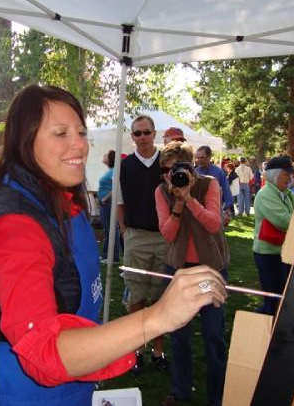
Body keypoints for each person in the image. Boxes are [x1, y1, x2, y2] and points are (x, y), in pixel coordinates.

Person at [0, 84, 227, 406]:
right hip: (13, 392)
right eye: (60, 133)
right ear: (24, 141)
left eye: (81, 132)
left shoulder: (64, 202)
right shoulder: (12, 225)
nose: (79, 145)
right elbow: (44, 350)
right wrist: (157, 318)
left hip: (72, 386)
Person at [156, 141, 229, 406]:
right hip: (179, 269)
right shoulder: (162, 192)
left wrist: (189, 198)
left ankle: (217, 396)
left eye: (175, 169)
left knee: (213, 334)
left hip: (210, 268)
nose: (170, 176)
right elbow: (167, 234)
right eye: (164, 171)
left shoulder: (209, 184)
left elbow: (213, 223)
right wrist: (177, 205)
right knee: (179, 334)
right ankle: (181, 390)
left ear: (190, 167)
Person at [117, 115, 169, 375]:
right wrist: (124, 231)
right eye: (137, 133)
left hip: (164, 237)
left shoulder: (167, 163)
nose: (142, 137)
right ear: (132, 136)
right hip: (136, 236)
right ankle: (135, 351)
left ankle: (158, 351)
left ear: (154, 133)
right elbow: (119, 201)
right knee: (135, 297)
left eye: (146, 132)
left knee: (160, 298)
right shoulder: (125, 166)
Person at [252, 156, 294, 315]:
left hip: (280, 252)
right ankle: (265, 332)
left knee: (281, 298)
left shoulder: (287, 193)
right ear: (275, 175)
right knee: (273, 300)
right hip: (268, 254)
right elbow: (285, 222)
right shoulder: (266, 195)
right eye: (286, 174)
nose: (289, 178)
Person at [194, 146, 234, 225]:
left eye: (202, 158)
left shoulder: (219, 172)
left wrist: (228, 211)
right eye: (197, 158)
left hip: (215, 210)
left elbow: (226, 190)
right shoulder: (195, 173)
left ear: (209, 157)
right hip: (198, 210)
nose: (199, 160)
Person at [97, 150, 119, 263]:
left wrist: (106, 198)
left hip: (108, 203)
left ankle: (113, 256)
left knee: (112, 229)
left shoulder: (114, 171)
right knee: (107, 230)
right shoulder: (110, 171)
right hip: (104, 203)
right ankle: (106, 254)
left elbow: (115, 187)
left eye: (105, 155)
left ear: (110, 159)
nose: (104, 156)